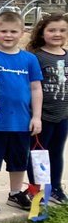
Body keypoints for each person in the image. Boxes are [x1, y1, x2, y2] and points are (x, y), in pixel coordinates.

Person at [0, 11, 42, 212]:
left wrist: (36, 117)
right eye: (3, 31)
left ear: (23, 33)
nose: (8, 35)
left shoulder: (29, 59)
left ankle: (15, 194)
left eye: (14, 31)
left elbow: (36, 88)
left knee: (18, 162)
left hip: (21, 122)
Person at [28, 12, 67, 204]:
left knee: (56, 152)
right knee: (38, 153)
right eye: (52, 30)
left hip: (62, 115)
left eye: (62, 30)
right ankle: (34, 189)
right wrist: (36, 116)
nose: (57, 34)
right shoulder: (37, 58)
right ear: (42, 33)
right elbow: (33, 87)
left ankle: (55, 188)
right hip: (42, 116)